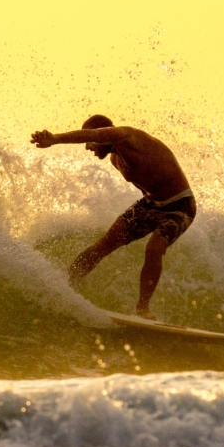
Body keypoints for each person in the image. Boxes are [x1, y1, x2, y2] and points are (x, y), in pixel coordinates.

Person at [31, 115, 195, 319]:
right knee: (104, 244)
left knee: (154, 248)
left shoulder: (126, 136)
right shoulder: (115, 159)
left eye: (89, 142)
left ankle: (143, 309)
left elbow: (94, 135)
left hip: (180, 204)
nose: (88, 147)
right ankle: (66, 286)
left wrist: (54, 139)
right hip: (151, 204)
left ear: (102, 135)